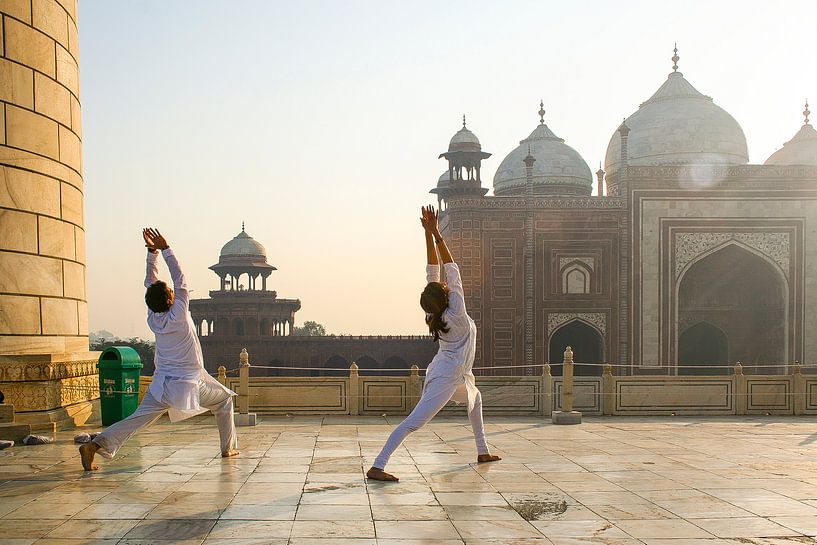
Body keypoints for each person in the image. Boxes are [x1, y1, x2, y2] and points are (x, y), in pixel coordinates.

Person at [80, 228, 239, 470]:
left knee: (137, 420)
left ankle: (95, 445)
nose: (176, 293)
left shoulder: (153, 317)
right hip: (186, 384)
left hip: (161, 384)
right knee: (225, 400)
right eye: (172, 294)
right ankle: (228, 448)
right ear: (170, 300)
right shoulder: (179, 315)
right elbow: (180, 278)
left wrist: (152, 252)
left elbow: (151, 284)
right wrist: (166, 249)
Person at [366, 206, 500, 481]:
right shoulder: (457, 314)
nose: (446, 285)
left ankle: (482, 450)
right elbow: (451, 269)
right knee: (414, 423)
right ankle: (378, 465)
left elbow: (432, 271)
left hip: (454, 372)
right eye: (445, 287)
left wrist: (428, 233)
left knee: (476, 401)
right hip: (446, 377)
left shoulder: (433, 312)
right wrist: (437, 233)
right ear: (446, 296)